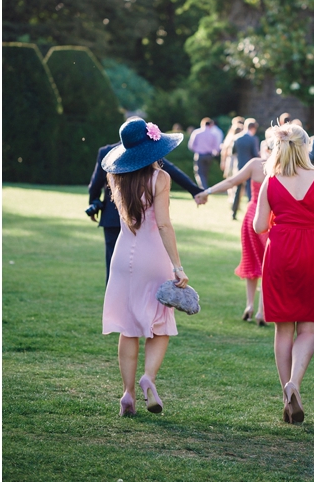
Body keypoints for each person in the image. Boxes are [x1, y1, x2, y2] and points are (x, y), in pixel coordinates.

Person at [254, 124, 314, 425]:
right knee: (308, 329)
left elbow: (259, 226)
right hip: (313, 254)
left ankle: (286, 393)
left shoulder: (271, 180)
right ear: (306, 147)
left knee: (283, 330)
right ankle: (294, 383)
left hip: (280, 253)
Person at [101, 118, 189, 417]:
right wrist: (177, 266)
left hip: (123, 257)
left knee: (129, 328)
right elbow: (163, 224)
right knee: (159, 324)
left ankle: (127, 394)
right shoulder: (160, 178)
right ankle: (148, 378)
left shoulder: (117, 178)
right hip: (154, 258)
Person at [89, 130, 204, 285]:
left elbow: (95, 184)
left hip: (112, 217)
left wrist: (94, 202)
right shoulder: (149, 156)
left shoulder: (108, 154)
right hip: (142, 223)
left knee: (115, 268)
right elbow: (173, 171)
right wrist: (195, 191)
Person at [196, 154, 269, 324]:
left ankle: (250, 306)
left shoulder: (256, 164)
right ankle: (261, 311)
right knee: (268, 264)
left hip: (252, 216)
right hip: (270, 218)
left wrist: (207, 191)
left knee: (252, 260)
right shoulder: (285, 167)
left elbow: (231, 182)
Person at [231, 119, 261, 221]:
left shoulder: (237, 138)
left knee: (237, 191)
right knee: (250, 192)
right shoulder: (253, 139)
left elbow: (233, 152)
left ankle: (233, 212)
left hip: (239, 167)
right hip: (250, 169)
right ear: (253, 128)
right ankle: (251, 213)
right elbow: (255, 154)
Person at [220, 117, 245, 217]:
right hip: (233, 161)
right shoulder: (233, 139)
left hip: (231, 161)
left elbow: (224, 151)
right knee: (234, 181)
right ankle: (233, 198)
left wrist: (223, 161)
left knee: (232, 180)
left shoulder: (232, 138)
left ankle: (233, 198)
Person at [188, 117, 222, 189]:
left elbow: (191, 145)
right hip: (209, 155)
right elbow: (216, 147)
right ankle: (204, 187)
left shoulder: (197, 133)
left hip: (200, 154)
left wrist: (197, 150)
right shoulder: (213, 135)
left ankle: (203, 188)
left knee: (199, 173)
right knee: (205, 173)